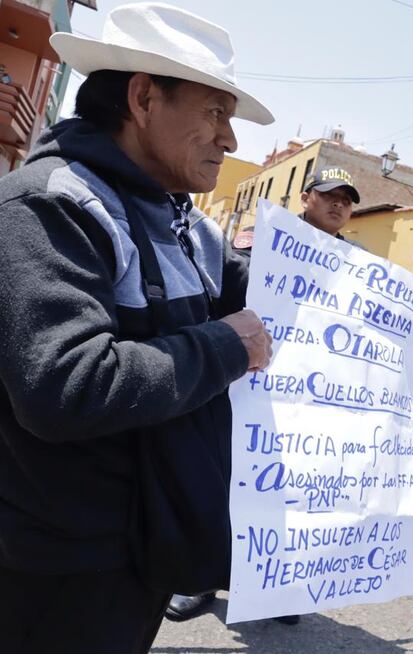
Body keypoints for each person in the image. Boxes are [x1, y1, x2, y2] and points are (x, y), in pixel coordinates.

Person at [0, 4, 274, 653]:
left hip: (140, 560)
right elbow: (66, 384)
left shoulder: (187, 224)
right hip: (55, 574)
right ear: (144, 96)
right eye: (215, 112)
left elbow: (279, 303)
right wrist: (226, 345)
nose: (230, 140)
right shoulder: (48, 206)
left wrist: (386, 349)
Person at [165, 168, 413, 623]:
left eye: (348, 199)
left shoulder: (361, 266)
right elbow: (229, 296)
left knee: (295, 496)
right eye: (330, 195)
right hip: (254, 385)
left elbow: (372, 334)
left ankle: (276, 590)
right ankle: (200, 579)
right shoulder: (262, 244)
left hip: (314, 406)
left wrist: (406, 360)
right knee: (230, 486)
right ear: (306, 197)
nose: (339, 205)